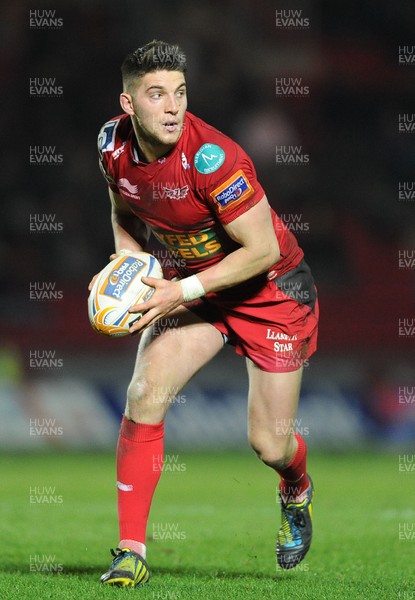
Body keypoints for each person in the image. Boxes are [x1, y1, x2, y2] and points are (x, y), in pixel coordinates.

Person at [91, 39, 319, 588]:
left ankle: (296, 488)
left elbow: (261, 250)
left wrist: (178, 288)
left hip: (271, 291)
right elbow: (125, 204)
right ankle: (131, 551)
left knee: (270, 443)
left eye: (181, 93)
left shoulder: (215, 159)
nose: (173, 107)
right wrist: (131, 261)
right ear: (128, 106)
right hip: (194, 290)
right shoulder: (111, 147)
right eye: (157, 94)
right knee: (145, 393)